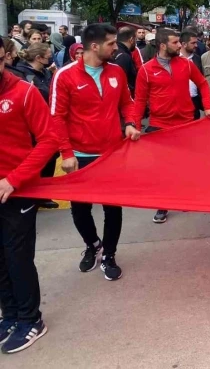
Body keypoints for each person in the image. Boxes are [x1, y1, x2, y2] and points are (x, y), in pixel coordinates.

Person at [51, 24, 141, 281]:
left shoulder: (116, 71)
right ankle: (92, 245)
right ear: (94, 46)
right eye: (111, 44)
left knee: (113, 208)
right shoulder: (65, 76)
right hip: (79, 155)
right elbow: (56, 118)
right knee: (80, 209)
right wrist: (66, 153)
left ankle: (110, 254)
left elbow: (127, 102)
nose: (116, 48)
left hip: (112, 153)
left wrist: (131, 124)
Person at [0, 37, 58, 354]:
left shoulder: (24, 92)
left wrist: (14, 179)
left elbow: (48, 140)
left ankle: (30, 319)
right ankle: (9, 316)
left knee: (17, 258)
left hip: (18, 191)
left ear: (6, 57)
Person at [134, 30, 210, 224]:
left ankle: (184, 197)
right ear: (162, 45)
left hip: (185, 123)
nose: (180, 45)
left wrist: (208, 107)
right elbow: (139, 101)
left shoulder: (186, 64)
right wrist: (135, 126)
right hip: (159, 125)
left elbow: (202, 84)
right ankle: (163, 204)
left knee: (184, 164)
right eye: (176, 42)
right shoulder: (145, 69)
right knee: (162, 169)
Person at [180, 31, 204, 119]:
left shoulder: (197, 59)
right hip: (180, 102)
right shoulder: (174, 59)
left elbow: (201, 80)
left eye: (196, 43)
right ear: (184, 44)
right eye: (193, 43)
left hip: (195, 100)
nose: (196, 45)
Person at [110, 27, 138, 98]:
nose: (135, 42)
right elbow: (121, 82)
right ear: (131, 40)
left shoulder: (115, 52)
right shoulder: (123, 56)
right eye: (135, 39)